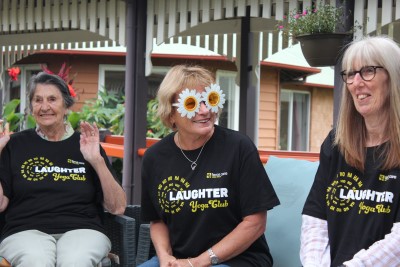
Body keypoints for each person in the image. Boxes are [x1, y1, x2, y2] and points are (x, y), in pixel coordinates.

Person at [139, 64, 280, 267]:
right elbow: (157, 220)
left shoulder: (239, 148)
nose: (204, 110)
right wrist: (165, 257)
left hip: (238, 260)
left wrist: (199, 262)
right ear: (171, 114)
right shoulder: (155, 158)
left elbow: (255, 223)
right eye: (192, 103)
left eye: (209, 100)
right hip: (180, 260)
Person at [0, 71, 127, 267]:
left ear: (66, 105)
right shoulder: (14, 145)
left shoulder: (86, 145)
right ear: (31, 106)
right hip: (24, 231)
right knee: (36, 261)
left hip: (83, 231)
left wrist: (96, 160)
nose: (44, 107)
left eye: (52, 99)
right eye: (38, 100)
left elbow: (117, 207)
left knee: (74, 262)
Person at [300, 35, 400, 267]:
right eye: (350, 74)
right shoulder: (336, 143)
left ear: (393, 78)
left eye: (368, 71)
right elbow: (315, 219)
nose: (356, 82)